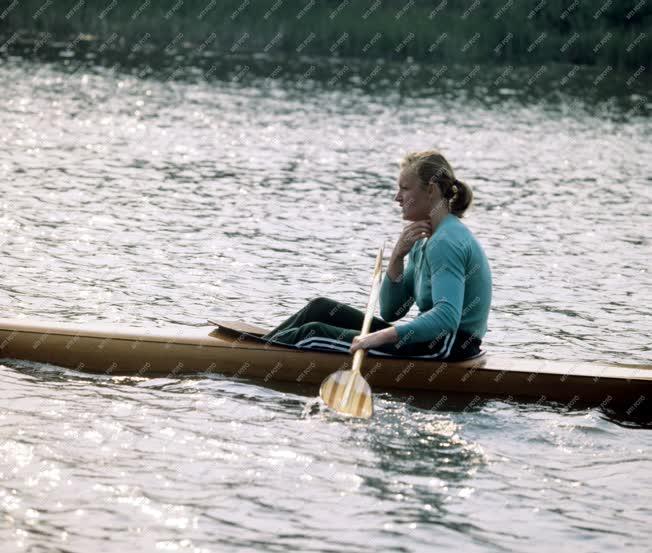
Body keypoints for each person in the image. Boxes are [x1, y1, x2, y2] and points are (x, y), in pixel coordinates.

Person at [261, 149, 492, 360]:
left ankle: (253, 357)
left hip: (447, 346)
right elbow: (392, 311)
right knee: (319, 308)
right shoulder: (424, 238)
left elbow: (447, 318)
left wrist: (377, 338)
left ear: (430, 190)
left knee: (312, 333)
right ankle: (258, 348)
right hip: (432, 339)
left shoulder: (445, 242)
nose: (397, 198)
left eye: (404, 188)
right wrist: (397, 258)